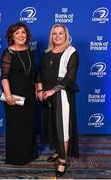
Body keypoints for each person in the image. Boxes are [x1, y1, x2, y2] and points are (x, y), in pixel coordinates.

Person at [37, 24, 79, 177]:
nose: (57, 36)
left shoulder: (71, 52)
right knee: (52, 124)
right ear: (51, 36)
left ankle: (63, 159)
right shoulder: (47, 53)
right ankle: (58, 150)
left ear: (66, 35)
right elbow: (40, 72)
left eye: (61, 33)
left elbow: (70, 77)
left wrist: (51, 91)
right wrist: (40, 90)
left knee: (62, 127)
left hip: (61, 93)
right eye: (54, 34)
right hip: (46, 94)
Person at [1, 22, 38, 165]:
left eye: (23, 32)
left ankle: (30, 155)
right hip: (14, 97)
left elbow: (32, 74)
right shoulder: (8, 53)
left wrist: (36, 89)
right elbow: (4, 77)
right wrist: (8, 96)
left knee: (29, 126)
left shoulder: (29, 50)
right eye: (17, 33)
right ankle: (17, 158)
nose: (21, 35)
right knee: (16, 127)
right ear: (12, 36)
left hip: (29, 95)